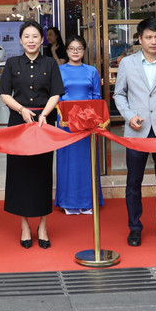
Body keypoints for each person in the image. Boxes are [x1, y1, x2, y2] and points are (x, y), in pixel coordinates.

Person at [114, 18, 156, 246]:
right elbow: (119, 95)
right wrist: (128, 115)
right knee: (133, 182)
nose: (154, 41)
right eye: (149, 37)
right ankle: (134, 228)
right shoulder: (127, 64)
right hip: (137, 131)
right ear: (140, 39)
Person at [0, 20, 64, 249]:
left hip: (44, 123)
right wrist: (21, 109)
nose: (31, 40)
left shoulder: (50, 63)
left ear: (42, 39)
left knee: (43, 172)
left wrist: (44, 114)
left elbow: (56, 93)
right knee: (19, 173)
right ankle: (24, 225)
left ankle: (43, 225)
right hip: (19, 121)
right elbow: (4, 93)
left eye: (35, 36)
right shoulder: (13, 63)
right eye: (27, 36)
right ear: (20, 40)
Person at [55, 35, 103, 215]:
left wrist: (90, 118)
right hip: (67, 123)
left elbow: (97, 97)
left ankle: (88, 201)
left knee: (87, 161)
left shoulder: (92, 71)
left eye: (79, 49)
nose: (75, 52)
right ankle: (69, 201)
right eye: (71, 49)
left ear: (84, 51)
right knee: (68, 162)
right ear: (66, 51)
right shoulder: (59, 70)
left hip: (88, 123)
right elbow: (56, 96)